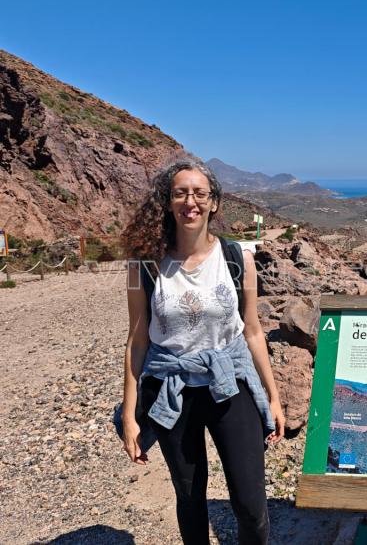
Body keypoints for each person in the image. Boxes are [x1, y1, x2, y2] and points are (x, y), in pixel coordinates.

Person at [119, 157, 285, 544]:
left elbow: (253, 331)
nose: (190, 202)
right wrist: (129, 414)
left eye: (199, 193)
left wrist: (273, 396)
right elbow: (137, 341)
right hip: (171, 386)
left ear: (214, 203)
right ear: (167, 202)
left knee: (250, 503)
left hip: (229, 381)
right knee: (190, 497)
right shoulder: (144, 266)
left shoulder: (237, 259)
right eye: (180, 193)